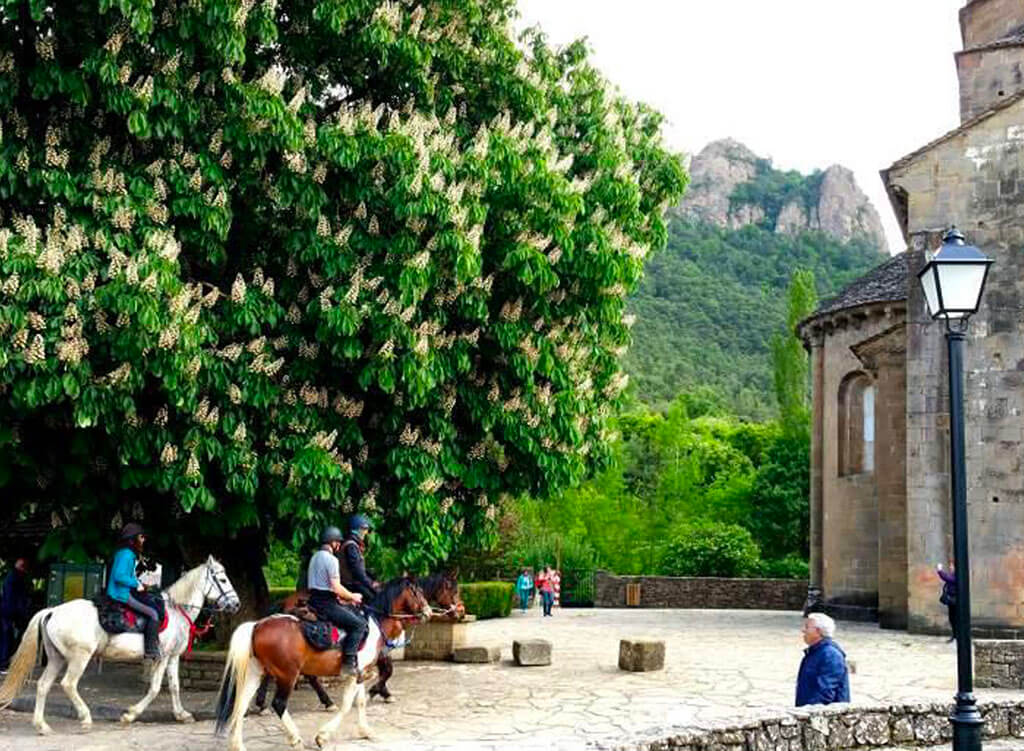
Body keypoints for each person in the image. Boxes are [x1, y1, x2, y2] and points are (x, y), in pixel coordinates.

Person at [307, 525, 368, 676]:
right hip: (326, 605)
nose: (339, 546)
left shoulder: (314, 557)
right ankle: (348, 663)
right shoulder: (331, 560)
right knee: (359, 624)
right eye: (338, 543)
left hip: (313, 600)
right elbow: (336, 587)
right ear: (333, 542)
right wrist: (353, 596)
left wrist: (345, 600)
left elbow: (326, 587)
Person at [107, 523, 161, 660]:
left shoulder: (123, 553)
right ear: (133, 539)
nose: (143, 540)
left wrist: (140, 583)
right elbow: (119, 576)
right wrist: (136, 583)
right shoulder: (127, 554)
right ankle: (150, 650)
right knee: (153, 613)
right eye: (141, 537)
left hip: (123, 591)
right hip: (122, 594)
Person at [795, 612, 850, 707]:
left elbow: (825, 691)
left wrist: (807, 713)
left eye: (807, 627)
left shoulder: (830, 655)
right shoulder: (815, 652)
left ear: (818, 631)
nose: (803, 630)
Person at [338, 514, 381, 601]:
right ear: (357, 529)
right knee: (376, 600)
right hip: (351, 584)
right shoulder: (351, 546)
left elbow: (360, 569)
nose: (366, 533)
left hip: (355, 582)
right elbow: (358, 572)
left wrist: (373, 578)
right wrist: (371, 584)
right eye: (364, 529)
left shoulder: (353, 544)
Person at [0, 558, 30, 672]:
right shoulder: (16, 578)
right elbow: (14, 598)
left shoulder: (12, 576)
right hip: (9, 612)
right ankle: (3, 663)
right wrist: (20, 614)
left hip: (7, 612)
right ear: (21, 567)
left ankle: (4, 662)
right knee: (7, 637)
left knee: (7, 637)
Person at [937, 562, 957, 643]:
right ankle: (954, 635)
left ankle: (957, 636)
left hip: (955, 600)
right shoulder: (953, 575)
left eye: (952, 566)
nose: (950, 567)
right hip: (951, 601)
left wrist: (940, 571)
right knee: (952, 618)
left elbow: (948, 579)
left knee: (956, 618)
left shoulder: (958, 575)